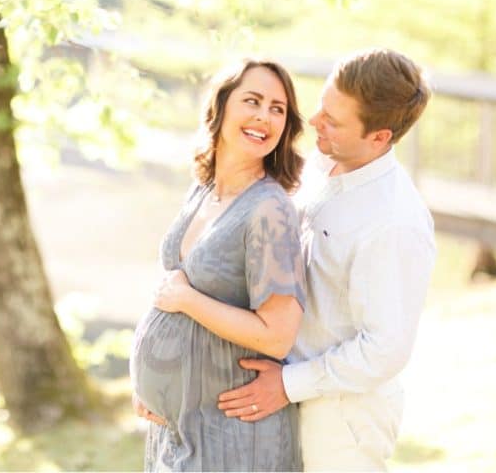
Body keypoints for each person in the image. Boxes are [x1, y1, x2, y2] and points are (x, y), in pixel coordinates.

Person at [216, 48, 436, 471]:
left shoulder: (395, 222)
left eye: (333, 122)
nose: (313, 122)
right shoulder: (320, 166)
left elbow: (386, 350)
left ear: (380, 137)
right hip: (282, 395)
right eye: (322, 107)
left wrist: (287, 384)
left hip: (340, 421)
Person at [129, 58, 307, 471]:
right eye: (253, 101)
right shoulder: (204, 189)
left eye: (277, 109)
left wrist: (187, 300)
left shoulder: (269, 210)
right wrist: (147, 382)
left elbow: (277, 336)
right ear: (222, 105)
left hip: (231, 435)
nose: (265, 117)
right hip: (176, 427)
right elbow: (173, 287)